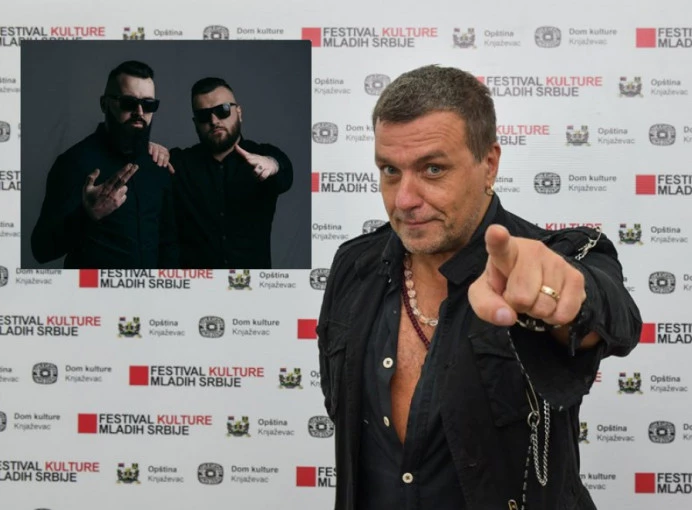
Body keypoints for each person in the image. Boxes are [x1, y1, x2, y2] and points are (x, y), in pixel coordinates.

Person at [316, 65, 642, 510]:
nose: (404, 199)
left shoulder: (551, 256)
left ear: (489, 164)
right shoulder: (354, 266)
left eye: (433, 169)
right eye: (390, 170)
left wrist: (560, 297)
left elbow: (612, 316)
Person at [30, 60, 178, 268]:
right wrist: (87, 215)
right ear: (104, 104)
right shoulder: (74, 162)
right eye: (128, 102)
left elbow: (168, 242)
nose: (139, 112)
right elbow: (41, 249)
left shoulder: (157, 163)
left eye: (148, 104)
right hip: (92, 288)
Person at [165, 77, 293, 269]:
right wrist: (151, 148)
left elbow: (284, 173)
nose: (214, 121)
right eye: (204, 115)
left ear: (239, 113)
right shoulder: (179, 164)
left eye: (222, 110)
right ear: (195, 122)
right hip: (196, 285)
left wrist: (271, 164)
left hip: (253, 284)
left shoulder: (262, 155)